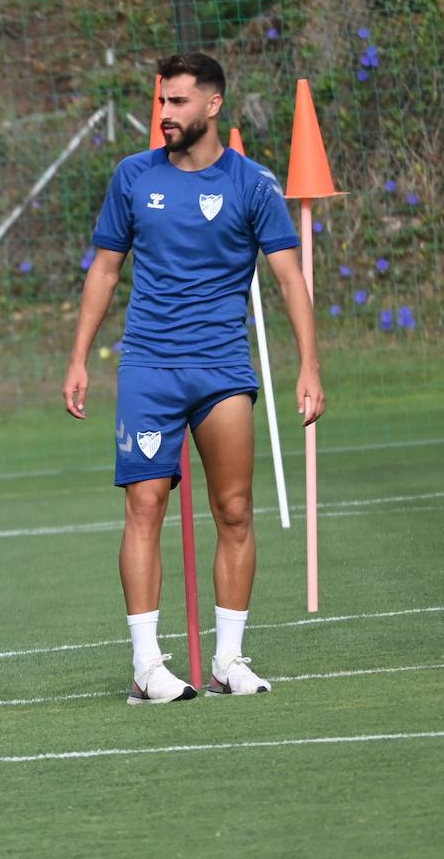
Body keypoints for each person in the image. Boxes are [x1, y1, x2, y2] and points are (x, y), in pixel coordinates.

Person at [63, 53, 325, 704]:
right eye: (161, 103)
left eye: (177, 103)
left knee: (234, 509)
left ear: (212, 105)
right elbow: (103, 270)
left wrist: (310, 366)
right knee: (143, 506)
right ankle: (147, 665)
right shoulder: (132, 177)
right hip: (149, 368)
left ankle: (228, 658)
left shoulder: (254, 184)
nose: (165, 115)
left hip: (222, 370)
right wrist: (77, 357)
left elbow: (290, 278)